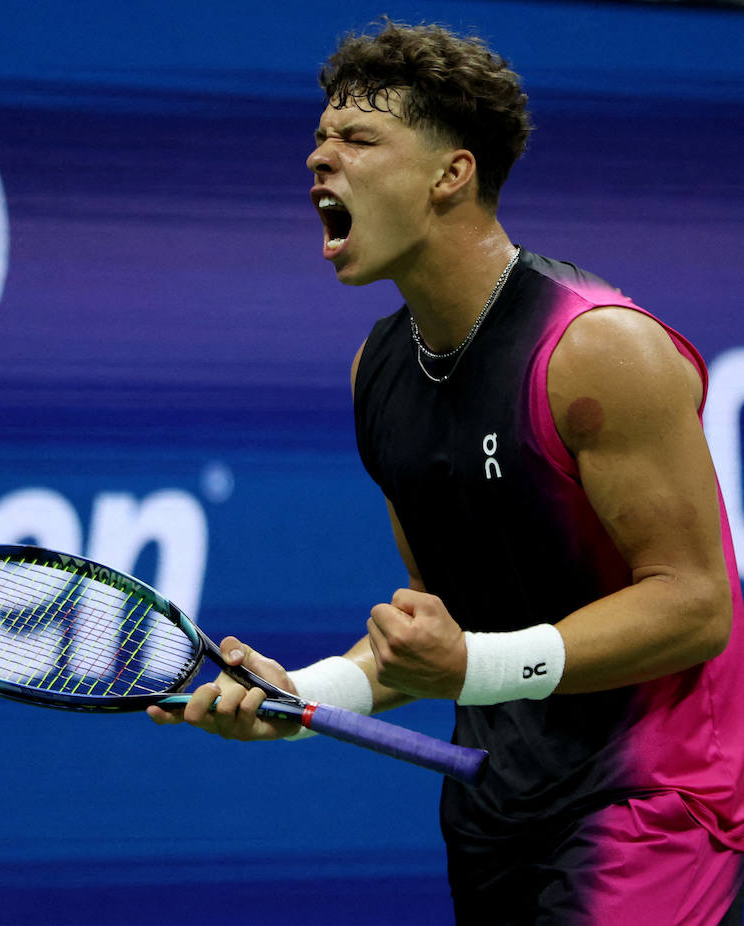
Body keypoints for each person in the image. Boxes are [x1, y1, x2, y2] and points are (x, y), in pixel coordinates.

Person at [148, 20, 744, 926]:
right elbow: (445, 623)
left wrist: (476, 664)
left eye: (357, 139)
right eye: (319, 137)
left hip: (655, 801)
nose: (319, 158)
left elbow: (697, 604)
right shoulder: (379, 369)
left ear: (449, 174)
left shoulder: (596, 350)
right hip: (496, 798)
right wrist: (303, 695)